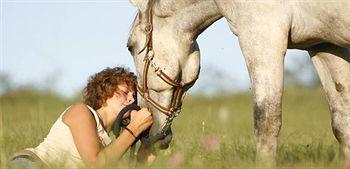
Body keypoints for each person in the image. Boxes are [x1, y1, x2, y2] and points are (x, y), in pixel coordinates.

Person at [9, 67, 153, 169]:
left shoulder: (108, 145)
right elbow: (95, 164)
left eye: (134, 96)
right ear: (104, 93)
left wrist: (150, 148)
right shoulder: (81, 112)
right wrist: (134, 127)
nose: (131, 99)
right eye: (125, 92)